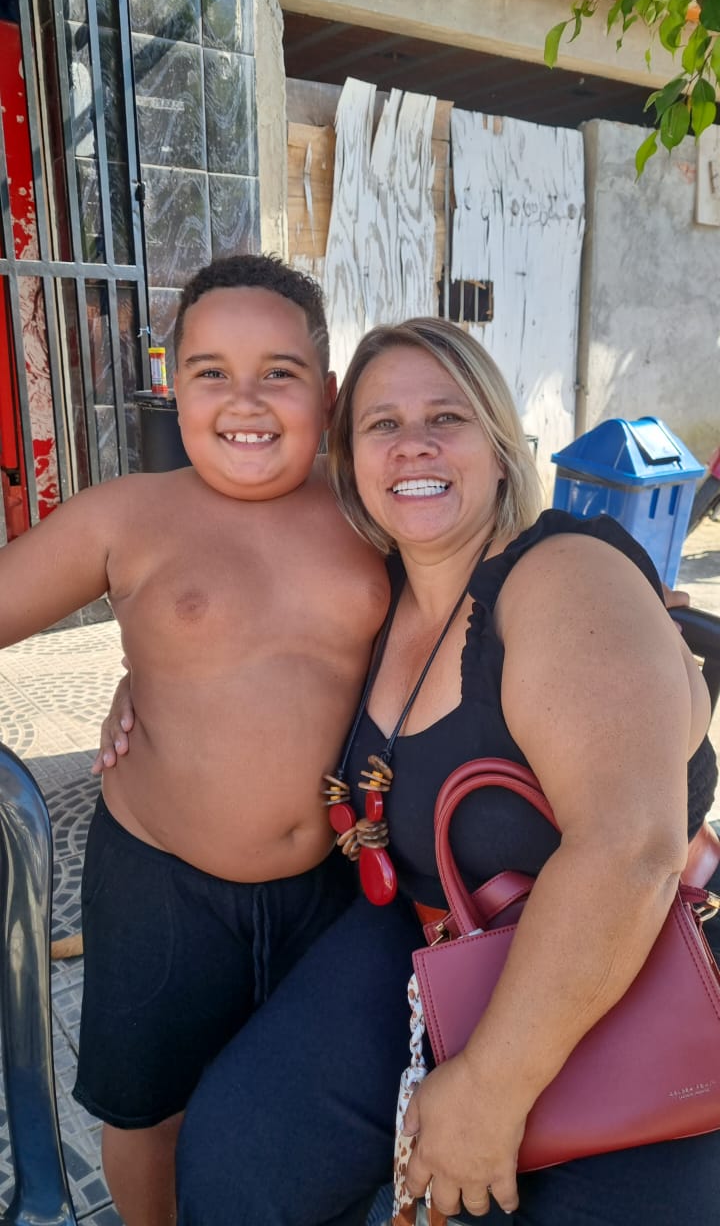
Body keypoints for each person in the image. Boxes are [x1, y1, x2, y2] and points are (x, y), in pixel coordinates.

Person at [160, 316, 718, 1226]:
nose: (413, 443)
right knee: (236, 1158)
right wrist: (139, 697)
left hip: (623, 963)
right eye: (382, 424)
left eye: (446, 418)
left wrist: (489, 1089)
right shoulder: (375, 589)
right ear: (351, 465)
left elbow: (629, 851)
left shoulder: (564, 577)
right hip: (432, 946)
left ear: (498, 449)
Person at [0, 254, 404, 1226]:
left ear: (328, 392)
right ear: (172, 383)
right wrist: (142, 674)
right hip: (161, 883)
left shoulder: (373, 511)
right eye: (211, 371)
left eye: (279, 372)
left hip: (335, 883)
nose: (244, 400)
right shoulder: (129, 514)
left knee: (301, 1113)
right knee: (150, 1114)